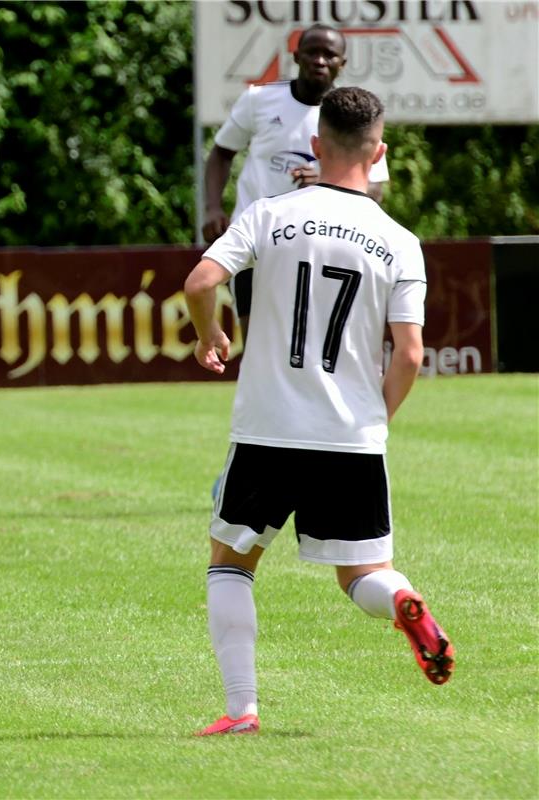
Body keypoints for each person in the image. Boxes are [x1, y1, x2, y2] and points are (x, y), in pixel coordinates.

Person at [183, 87, 453, 736]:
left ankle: (241, 710)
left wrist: (209, 333)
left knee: (230, 562)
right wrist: (375, 417)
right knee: (362, 575)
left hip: (270, 428)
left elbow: (199, 282)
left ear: (314, 145)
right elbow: (410, 353)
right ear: (379, 152)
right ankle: (402, 601)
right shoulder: (399, 241)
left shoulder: (270, 213)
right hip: (351, 436)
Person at [202, 24, 389, 338]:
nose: (319, 60)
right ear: (296, 56)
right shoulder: (260, 100)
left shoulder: (353, 115)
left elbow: (376, 190)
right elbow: (221, 152)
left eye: (329, 54)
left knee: (312, 344)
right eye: (312, 52)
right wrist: (211, 207)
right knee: (257, 344)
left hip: (321, 245)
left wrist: (328, 181)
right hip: (257, 241)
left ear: (342, 63)